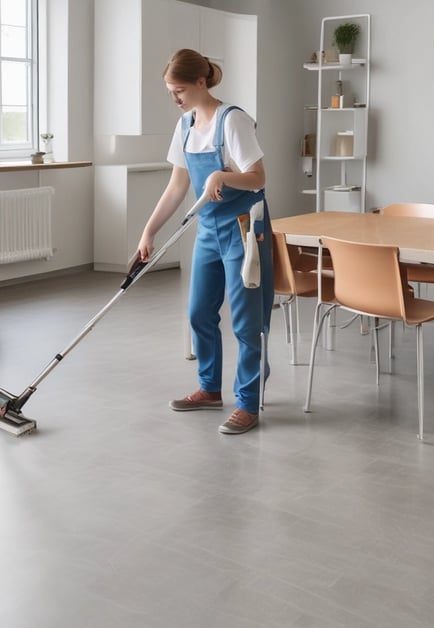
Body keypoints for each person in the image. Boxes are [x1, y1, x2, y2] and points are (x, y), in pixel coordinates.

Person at [136, 49, 274, 435]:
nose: (175, 98)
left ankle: (248, 403)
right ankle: (210, 389)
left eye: (179, 90)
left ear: (201, 82)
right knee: (199, 312)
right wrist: (149, 230)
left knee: (246, 322)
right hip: (209, 232)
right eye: (170, 92)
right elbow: (177, 186)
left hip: (245, 229)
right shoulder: (184, 126)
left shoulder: (233, 120)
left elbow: (259, 177)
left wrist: (224, 177)